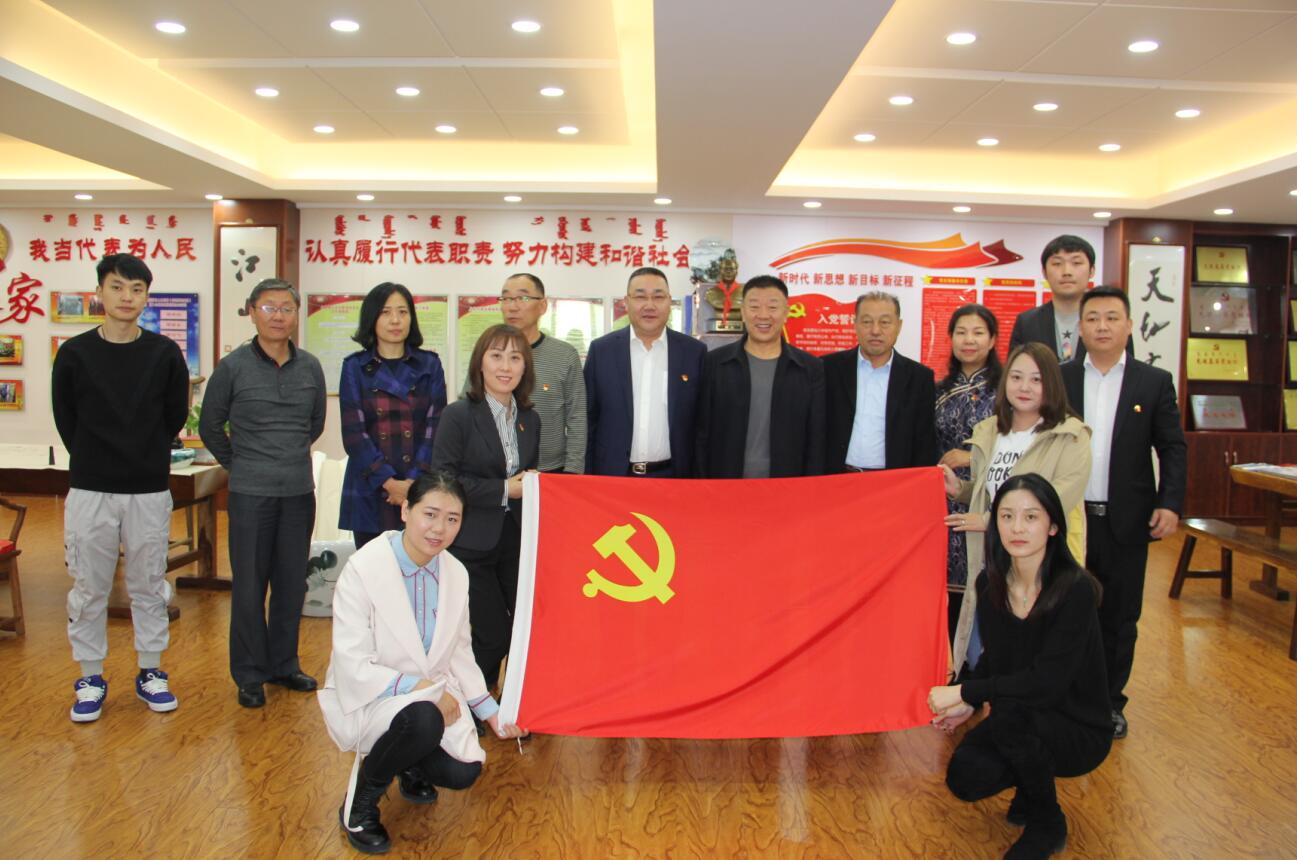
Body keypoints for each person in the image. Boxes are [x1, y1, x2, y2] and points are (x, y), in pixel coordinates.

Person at [318, 471, 525, 854]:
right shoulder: (364, 569)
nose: (439, 529)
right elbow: (352, 661)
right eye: (430, 514)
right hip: (371, 694)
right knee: (424, 718)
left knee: (463, 771)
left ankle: (406, 760)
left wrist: (491, 713)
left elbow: (460, 650)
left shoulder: (455, 572)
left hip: (429, 698)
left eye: (452, 519)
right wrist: (424, 691)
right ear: (405, 511)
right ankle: (359, 804)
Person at [928, 474, 1112, 860]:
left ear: (1053, 526)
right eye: (1007, 516)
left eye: (1031, 517)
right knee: (965, 776)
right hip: (1023, 713)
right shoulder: (990, 583)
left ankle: (1048, 821)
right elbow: (993, 658)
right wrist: (968, 704)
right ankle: (1032, 788)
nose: (1017, 528)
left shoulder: (1074, 589)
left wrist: (965, 691)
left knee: (1012, 717)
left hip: (1078, 726)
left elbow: (1047, 683)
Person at [52, 254, 189, 722]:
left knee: (148, 584)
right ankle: (90, 676)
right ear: (99, 292)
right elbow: (66, 418)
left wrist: (143, 455)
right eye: (117, 287)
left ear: (147, 297)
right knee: (89, 586)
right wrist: (96, 458)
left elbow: (173, 416)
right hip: (91, 488)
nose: (127, 297)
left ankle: (150, 670)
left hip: (148, 488)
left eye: (136, 289)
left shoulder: (164, 353)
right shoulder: (74, 354)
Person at [1061, 285, 1186, 740]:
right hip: (1068, 520)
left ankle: (1110, 703)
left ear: (1129, 326)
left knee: (1118, 617)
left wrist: (1170, 503)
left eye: (1112, 318)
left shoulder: (1152, 381)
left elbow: (1172, 447)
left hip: (1126, 521)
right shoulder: (1061, 378)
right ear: (1080, 328)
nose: (1102, 326)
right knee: (1066, 611)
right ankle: (1066, 697)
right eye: (1093, 318)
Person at [200, 278, 326, 709]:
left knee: (291, 585)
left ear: (296, 315)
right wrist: (239, 464)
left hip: (298, 492)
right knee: (250, 587)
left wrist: (285, 457)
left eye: (287, 308)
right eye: (269, 307)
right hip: (250, 494)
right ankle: (250, 673)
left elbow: (314, 424)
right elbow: (210, 426)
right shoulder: (232, 367)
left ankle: (284, 665)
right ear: (252, 312)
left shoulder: (310, 367)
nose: (278, 316)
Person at [942, 342, 1091, 676]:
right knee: (985, 655)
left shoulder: (1070, 436)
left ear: (1051, 384)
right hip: (992, 564)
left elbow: (1054, 502)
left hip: (1042, 571)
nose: (1025, 387)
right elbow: (991, 493)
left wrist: (986, 521)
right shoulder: (990, 431)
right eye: (1017, 377)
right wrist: (961, 490)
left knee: (1034, 661)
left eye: (1036, 379)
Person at [432, 324, 539, 696]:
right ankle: (473, 701)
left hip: (516, 540)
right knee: (492, 633)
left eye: (515, 358)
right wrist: (504, 489)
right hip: (471, 542)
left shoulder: (530, 419)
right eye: (496, 356)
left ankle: (503, 702)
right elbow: (445, 479)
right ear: (480, 363)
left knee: (524, 627)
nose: (505, 366)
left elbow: (526, 474)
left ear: (525, 367)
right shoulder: (459, 415)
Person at [338, 282, 447, 549]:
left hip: (418, 486)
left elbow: (435, 428)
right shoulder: (355, 366)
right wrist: (388, 482)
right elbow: (354, 434)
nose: (395, 320)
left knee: (417, 566)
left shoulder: (429, 364)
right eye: (386, 312)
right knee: (372, 569)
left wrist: (411, 484)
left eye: (403, 311)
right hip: (370, 486)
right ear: (372, 318)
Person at [694, 275, 825, 478]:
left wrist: (810, 487)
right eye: (754, 307)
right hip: (725, 483)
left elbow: (816, 439)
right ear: (743, 313)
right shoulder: (715, 363)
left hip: (787, 485)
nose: (763, 315)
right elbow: (702, 434)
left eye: (772, 307)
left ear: (786, 313)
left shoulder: (809, 368)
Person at [584, 267, 707, 477]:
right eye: (640, 297)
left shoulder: (694, 352)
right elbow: (588, 420)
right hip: (613, 476)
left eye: (658, 297)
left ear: (669, 302)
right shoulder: (602, 351)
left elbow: (701, 424)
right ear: (626, 302)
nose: (649, 305)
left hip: (673, 478)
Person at [935, 304, 1002, 642]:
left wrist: (972, 457)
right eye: (961, 332)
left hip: (991, 501)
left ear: (992, 340)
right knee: (949, 598)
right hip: (945, 503)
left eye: (978, 332)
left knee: (991, 594)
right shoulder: (938, 391)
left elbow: (1017, 447)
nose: (969, 340)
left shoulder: (1007, 392)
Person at [825, 291, 938, 472]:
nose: (875, 330)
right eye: (867, 322)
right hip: (836, 478)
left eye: (885, 322)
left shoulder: (919, 378)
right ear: (855, 324)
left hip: (893, 481)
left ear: (899, 326)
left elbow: (924, 443)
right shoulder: (827, 368)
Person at [496, 273, 586, 474]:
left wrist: (572, 472)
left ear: (543, 306)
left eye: (523, 298)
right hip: (495, 472)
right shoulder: (488, 352)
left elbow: (577, 418)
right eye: (506, 298)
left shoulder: (564, 355)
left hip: (550, 470)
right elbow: (469, 403)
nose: (512, 306)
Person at [1009, 235, 1132, 363]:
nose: (1067, 272)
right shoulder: (1027, 322)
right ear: (1044, 272)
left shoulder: (1112, 321)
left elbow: (1128, 368)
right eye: (1057, 264)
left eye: (1076, 263)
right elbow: (1015, 369)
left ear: (1092, 271)